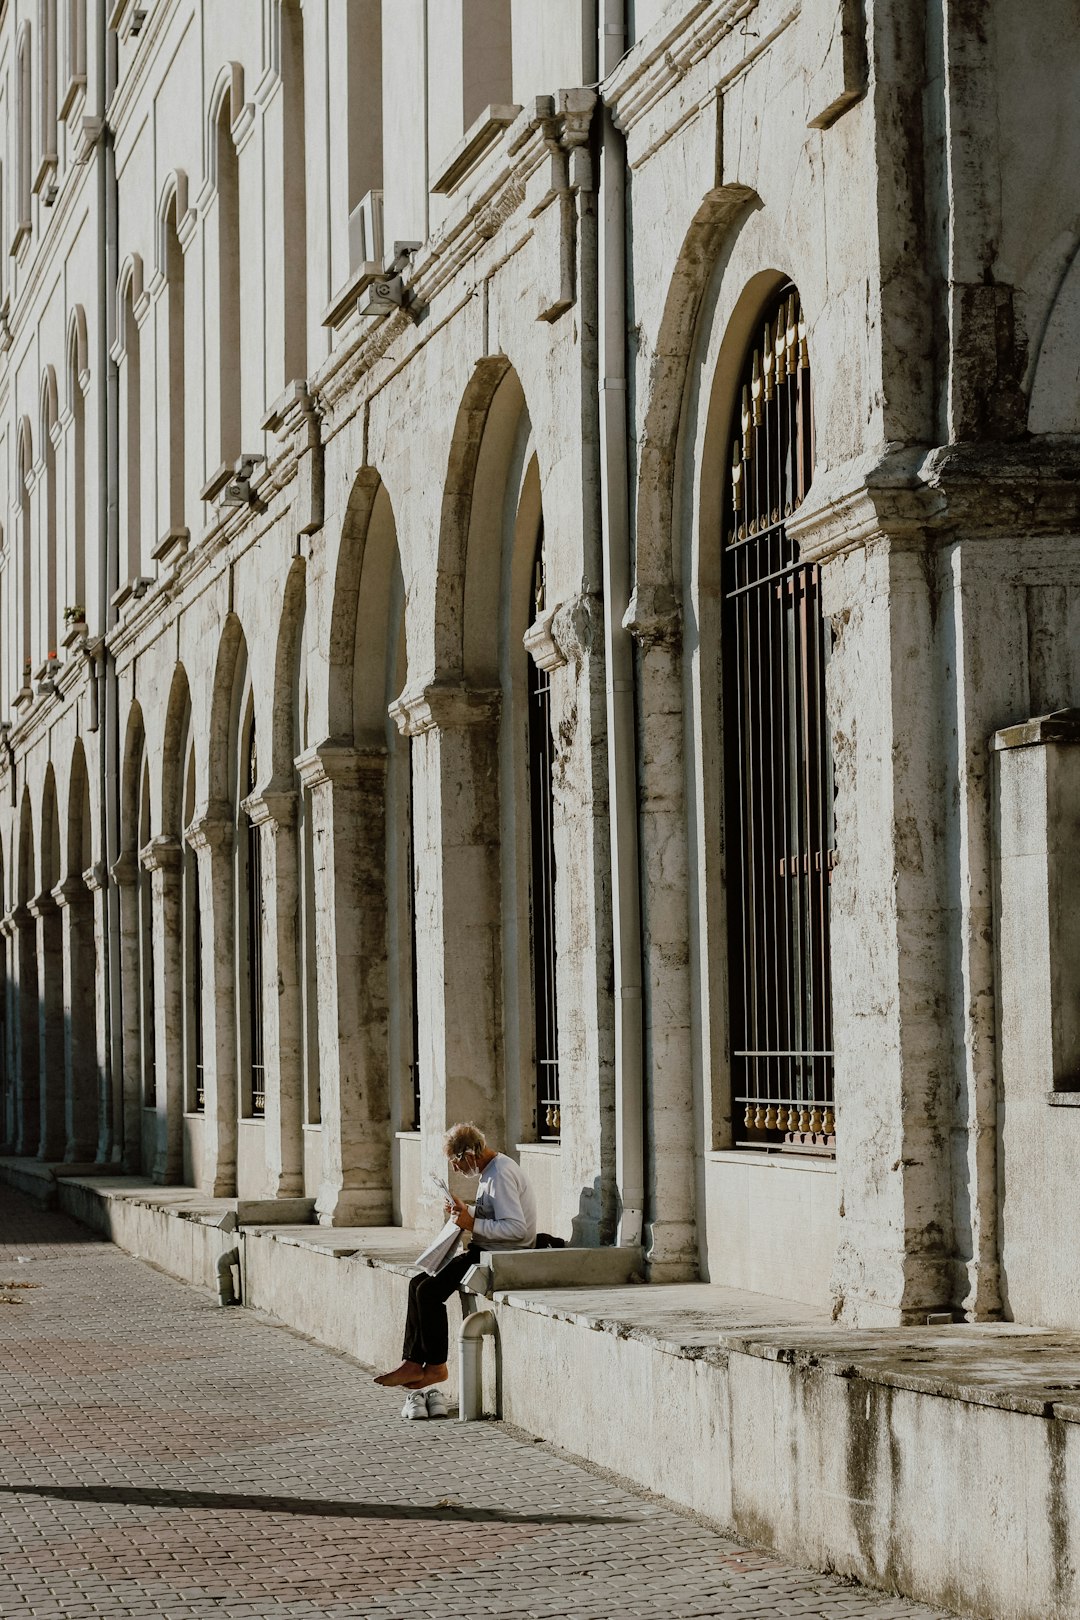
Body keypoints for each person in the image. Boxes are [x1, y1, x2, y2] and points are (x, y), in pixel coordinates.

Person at [373, 1122, 536, 1414]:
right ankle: (412, 1362)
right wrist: (466, 1211)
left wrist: (471, 1223)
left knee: (430, 1292)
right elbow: (494, 1216)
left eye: (456, 1162)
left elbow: (518, 1230)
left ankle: (435, 1366)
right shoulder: (490, 1173)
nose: (457, 1170)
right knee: (417, 1284)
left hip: (500, 1254)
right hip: (486, 1248)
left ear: (470, 1153)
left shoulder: (500, 1174)